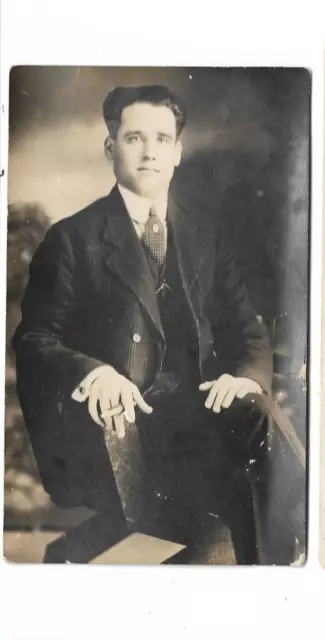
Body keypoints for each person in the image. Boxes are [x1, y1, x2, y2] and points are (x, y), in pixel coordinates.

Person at [13, 85, 274, 564]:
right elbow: (33, 340)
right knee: (221, 537)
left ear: (177, 152)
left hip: (199, 420)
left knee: (260, 434)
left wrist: (244, 379)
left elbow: (248, 330)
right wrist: (94, 373)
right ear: (111, 148)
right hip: (120, 428)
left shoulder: (206, 234)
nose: (149, 150)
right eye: (134, 138)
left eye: (161, 138)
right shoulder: (73, 238)